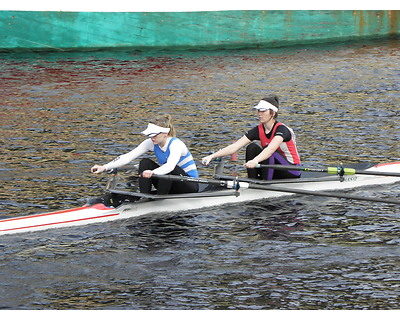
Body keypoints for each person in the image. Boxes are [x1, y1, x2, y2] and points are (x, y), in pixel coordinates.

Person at [91, 114, 199, 194]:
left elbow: (170, 166)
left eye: (154, 135)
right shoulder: (151, 142)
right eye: (150, 135)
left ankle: (160, 200)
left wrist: (152, 172)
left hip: (189, 184)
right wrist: (104, 167)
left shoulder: (176, 144)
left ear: (165, 133)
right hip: (170, 181)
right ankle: (145, 196)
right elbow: (128, 157)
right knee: (145, 162)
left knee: (169, 167)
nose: (151, 138)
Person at [202, 96, 301, 180]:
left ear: (273, 113)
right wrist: (212, 156)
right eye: (258, 110)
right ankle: (252, 181)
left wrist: (255, 161)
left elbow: (270, 150)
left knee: (267, 149)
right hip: (273, 168)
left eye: (263, 110)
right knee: (252, 147)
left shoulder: (282, 130)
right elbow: (235, 147)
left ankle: (266, 185)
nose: (259, 113)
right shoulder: (258, 129)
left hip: (291, 170)